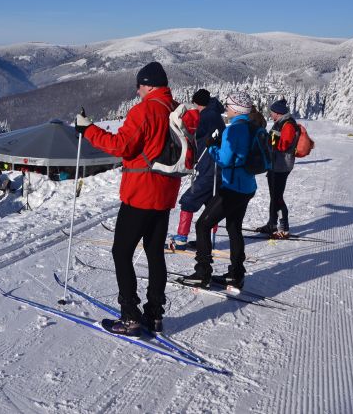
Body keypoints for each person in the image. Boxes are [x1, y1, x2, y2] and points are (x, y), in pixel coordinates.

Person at [76, 61, 181, 335]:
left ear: (148, 85)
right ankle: (155, 316)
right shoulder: (175, 109)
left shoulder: (144, 111)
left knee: (121, 252)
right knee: (155, 253)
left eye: (139, 86)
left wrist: (87, 130)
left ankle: (130, 317)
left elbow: (120, 145)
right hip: (166, 191)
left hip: (140, 193)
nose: (137, 92)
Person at [179, 92, 257, 290]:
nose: (227, 109)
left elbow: (223, 159)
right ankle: (236, 275)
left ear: (236, 109)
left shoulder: (234, 130)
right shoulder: (252, 127)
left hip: (232, 187)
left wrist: (212, 147)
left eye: (229, 106)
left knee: (203, 225)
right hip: (248, 186)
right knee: (234, 228)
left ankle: (203, 273)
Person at [170, 89, 213, 248]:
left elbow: (180, 128)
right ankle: (208, 239)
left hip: (206, 168)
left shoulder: (197, 117)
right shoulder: (215, 116)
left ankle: (181, 237)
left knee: (188, 201)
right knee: (211, 203)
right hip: (215, 169)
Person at [254, 98, 298, 237]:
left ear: (278, 113)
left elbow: (283, 146)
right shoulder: (280, 123)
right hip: (275, 164)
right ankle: (272, 224)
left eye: (272, 112)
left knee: (277, 197)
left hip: (282, 165)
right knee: (274, 196)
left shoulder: (288, 125)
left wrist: (268, 143)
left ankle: (283, 226)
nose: (270, 115)